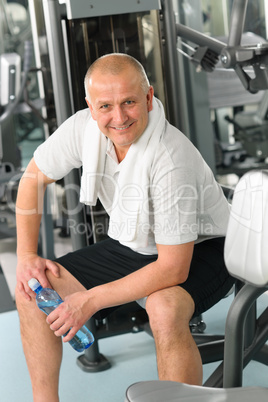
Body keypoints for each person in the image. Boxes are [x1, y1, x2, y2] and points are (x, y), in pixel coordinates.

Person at [15, 53, 235, 402]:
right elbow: (32, 179)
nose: (119, 118)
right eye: (105, 106)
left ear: (148, 97)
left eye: (129, 102)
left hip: (208, 247)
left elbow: (172, 268)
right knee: (32, 288)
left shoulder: (169, 157)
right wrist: (26, 255)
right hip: (137, 243)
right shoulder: (82, 129)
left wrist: (89, 300)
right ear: (90, 106)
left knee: (163, 308)